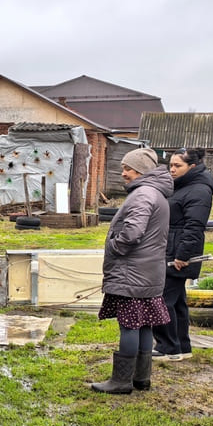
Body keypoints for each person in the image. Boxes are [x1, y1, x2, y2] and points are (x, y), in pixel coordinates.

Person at [91, 146, 173, 395]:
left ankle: (121, 381)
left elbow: (133, 232)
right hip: (148, 272)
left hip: (132, 273)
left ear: (140, 170)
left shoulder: (143, 194)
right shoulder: (156, 193)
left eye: (127, 168)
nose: (123, 173)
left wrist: (115, 246)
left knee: (129, 325)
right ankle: (141, 378)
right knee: (144, 324)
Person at [153, 148, 213, 362]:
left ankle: (168, 348)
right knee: (177, 301)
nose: (172, 169)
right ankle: (182, 346)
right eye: (170, 165)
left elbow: (194, 226)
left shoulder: (199, 190)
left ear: (192, 167)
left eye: (177, 166)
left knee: (162, 299)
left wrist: (182, 255)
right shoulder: (184, 186)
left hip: (178, 254)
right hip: (172, 249)